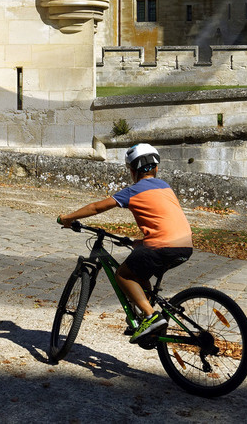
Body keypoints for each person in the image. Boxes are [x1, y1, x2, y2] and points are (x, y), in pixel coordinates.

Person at [56, 143, 192, 346]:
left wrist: (67, 218)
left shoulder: (133, 191)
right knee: (139, 273)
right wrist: (142, 242)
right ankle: (145, 320)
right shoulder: (165, 187)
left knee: (123, 274)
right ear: (156, 167)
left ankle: (150, 316)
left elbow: (95, 208)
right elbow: (167, 222)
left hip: (161, 244)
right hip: (185, 245)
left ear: (132, 170)